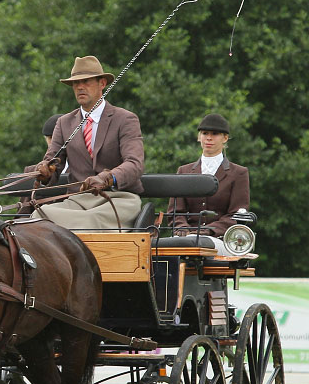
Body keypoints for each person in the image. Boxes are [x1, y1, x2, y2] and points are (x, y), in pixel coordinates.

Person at [31, 56, 145, 230]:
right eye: (75, 84)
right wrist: (44, 170)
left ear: (102, 84)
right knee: (39, 215)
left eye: (86, 81)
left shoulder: (125, 119)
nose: (79, 87)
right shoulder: (64, 123)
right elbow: (52, 164)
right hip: (78, 200)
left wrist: (108, 177)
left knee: (91, 220)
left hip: (118, 198)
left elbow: (135, 164)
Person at [168, 113, 250, 253]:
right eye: (205, 133)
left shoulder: (239, 173)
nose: (209, 138)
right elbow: (175, 212)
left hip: (219, 238)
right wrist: (181, 227)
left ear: (225, 138)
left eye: (215, 134)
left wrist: (210, 230)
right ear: (199, 137)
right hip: (185, 238)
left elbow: (237, 214)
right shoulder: (184, 171)